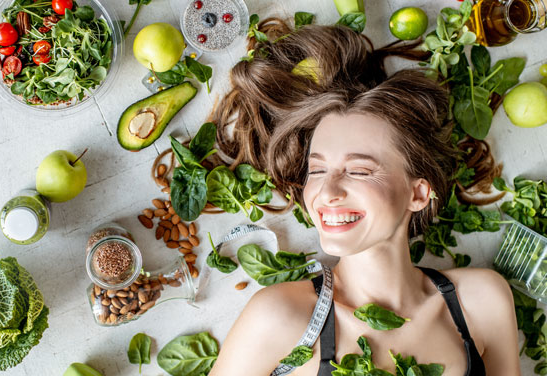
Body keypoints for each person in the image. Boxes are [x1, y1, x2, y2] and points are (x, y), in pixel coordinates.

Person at [207, 22, 520, 376]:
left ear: (417, 193)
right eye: (318, 170)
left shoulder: (482, 301)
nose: (327, 192)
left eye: (358, 171)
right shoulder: (278, 317)